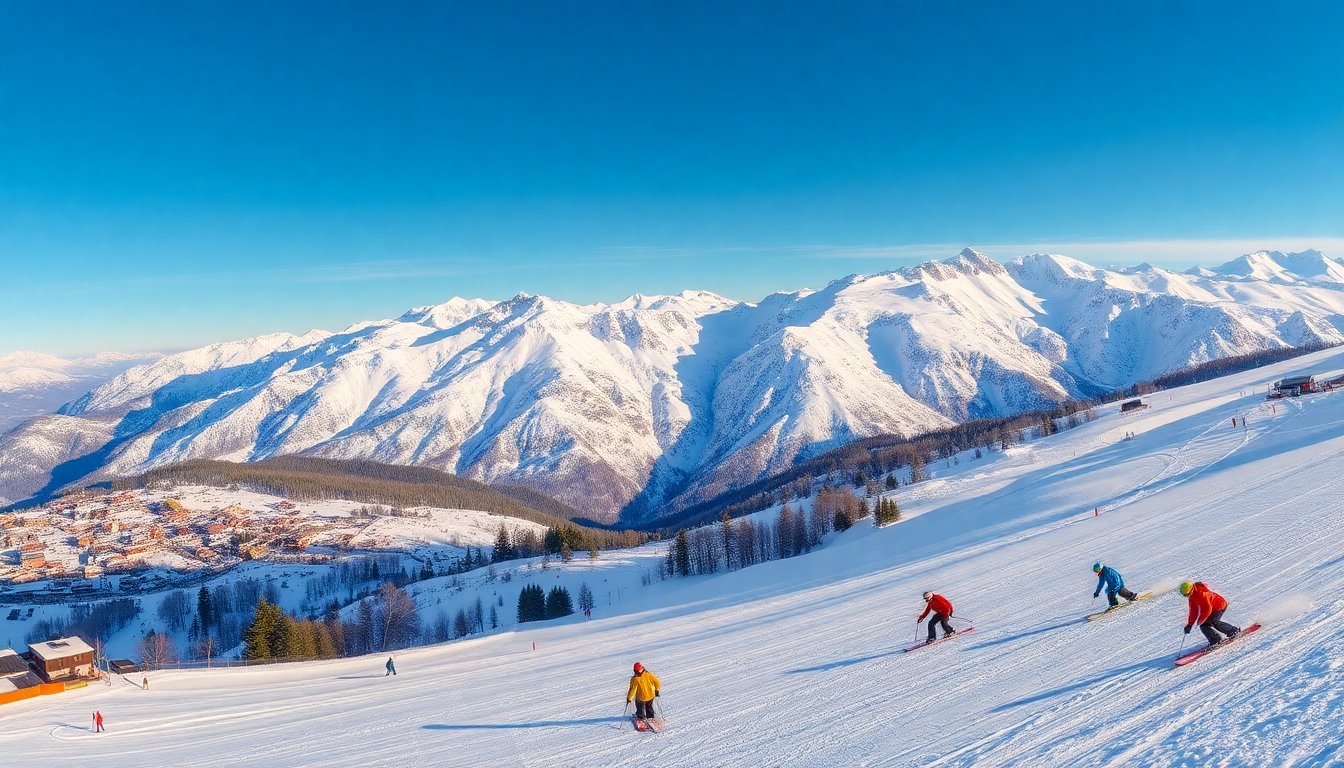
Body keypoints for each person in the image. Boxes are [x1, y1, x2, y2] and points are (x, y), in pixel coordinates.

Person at [1180, 581, 1241, 646]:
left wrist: (1200, 620)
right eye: (1185, 595)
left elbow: (1207, 609)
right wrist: (1190, 624)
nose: (1187, 596)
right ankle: (1215, 639)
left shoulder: (1202, 594)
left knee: (1214, 622)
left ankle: (1233, 631)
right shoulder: (1192, 597)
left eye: (1187, 594)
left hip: (1219, 605)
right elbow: (1193, 611)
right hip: (1212, 608)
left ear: (1192, 589)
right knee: (1204, 626)